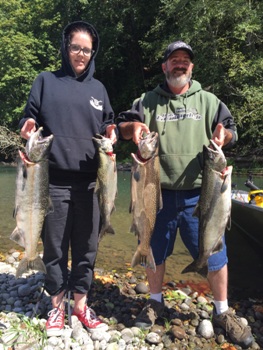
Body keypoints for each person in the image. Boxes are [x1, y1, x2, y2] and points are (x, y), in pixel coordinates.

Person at [115, 41, 254, 348]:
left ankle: (221, 311)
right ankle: (154, 301)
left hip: (200, 195)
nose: (179, 65)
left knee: (215, 252)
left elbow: (231, 130)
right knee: (153, 249)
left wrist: (224, 135)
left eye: (185, 61)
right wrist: (133, 128)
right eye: (174, 60)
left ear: (192, 68)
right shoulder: (148, 101)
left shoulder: (209, 101)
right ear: (164, 66)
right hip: (156, 192)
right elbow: (121, 126)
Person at [19, 21, 117, 336]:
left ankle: (80, 305)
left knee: (87, 248)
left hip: (92, 183)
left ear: (93, 53)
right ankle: (57, 307)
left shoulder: (99, 89)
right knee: (55, 248)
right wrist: (28, 125)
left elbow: (109, 123)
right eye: (75, 47)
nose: (80, 54)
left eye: (86, 50)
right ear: (66, 47)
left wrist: (112, 133)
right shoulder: (46, 81)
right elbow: (29, 115)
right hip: (52, 178)